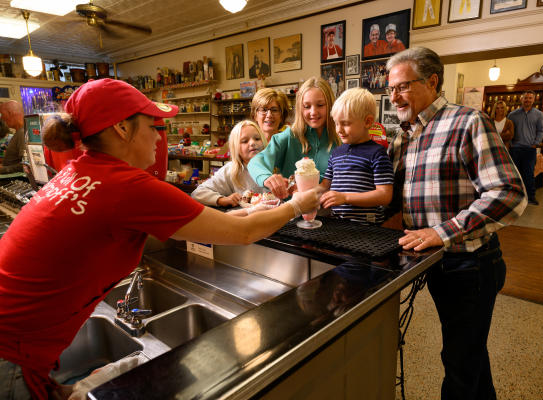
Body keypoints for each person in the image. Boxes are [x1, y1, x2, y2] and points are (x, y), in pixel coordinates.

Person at [0, 78, 319, 400]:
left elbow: (208, 222)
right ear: (122, 129)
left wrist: (251, 212)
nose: (158, 136)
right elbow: (243, 234)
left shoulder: (81, 171)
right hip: (10, 355)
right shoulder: (126, 185)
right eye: (152, 125)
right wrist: (296, 205)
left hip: (19, 350)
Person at [385, 47, 526, 400]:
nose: (394, 96)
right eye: (390, 89)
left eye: (402, 86)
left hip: (471, 262)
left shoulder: (467, 122)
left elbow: (508, 192)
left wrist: (441, 231)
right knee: (470, 355)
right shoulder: (404, 136)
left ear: (432, 81)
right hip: (435, 262)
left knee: (460, 363)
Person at [248, 77, 340, 199]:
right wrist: (267, 177)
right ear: (300, 108)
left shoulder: (340, 139)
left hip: (330, 213)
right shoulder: (290, 136)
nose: (313, 112)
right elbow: (256, 162)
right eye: (307, 106)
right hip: (293, 213)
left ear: (330, 105)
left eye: (320, 105)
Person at [319, 88, 393, 224]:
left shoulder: (378, 154)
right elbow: (324, 186)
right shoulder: (336, 153)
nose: (339, 130)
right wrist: (304, 191)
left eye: (345, 123)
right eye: (336, 123)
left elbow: (384, 195)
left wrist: (345, 197)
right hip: (338, 224)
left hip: (368, 227)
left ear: (368, 122)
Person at [191, 120, 267, 207]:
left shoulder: (276, 164)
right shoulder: (231, 170)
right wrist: (222, 200)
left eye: (257, 139)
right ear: (236, 148)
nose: (253, 143)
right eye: (245, 141)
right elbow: (198, 193)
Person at [508, 90, 543, 205]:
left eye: (530, 98)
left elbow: (540, 130)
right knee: (515, 175)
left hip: (530, 149)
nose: (527, 100)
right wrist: (510, 143)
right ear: (521, 99)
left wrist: (536, 143)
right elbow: (509, 131)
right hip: (515, 149)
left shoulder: (539, 114)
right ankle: (515, 197)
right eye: (525, 98)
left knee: (529, 174)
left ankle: (530, 197)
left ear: (533, 100)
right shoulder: (512, 115)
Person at [0, 100, 25, 174]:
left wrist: (3, 169)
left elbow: (25, 165)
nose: (2, 118)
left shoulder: (22, 133)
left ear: (10, 113)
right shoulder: (19, 132)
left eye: (2, 114)